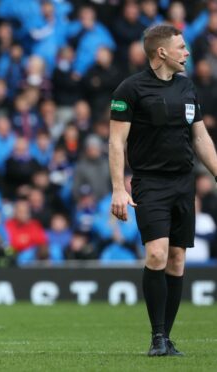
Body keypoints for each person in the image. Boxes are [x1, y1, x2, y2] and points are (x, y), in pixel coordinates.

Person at [109, 24, 217, 357]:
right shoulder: (130, 89)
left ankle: (166, 339)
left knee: (177, 259)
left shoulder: (187, 88)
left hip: (183, 183)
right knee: (156, 253)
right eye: (181, 47)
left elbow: (199, 137)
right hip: (149, 183)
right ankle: (157, 336)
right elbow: (116, 141)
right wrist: (117, 188)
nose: (187, 52)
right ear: (162, 53)